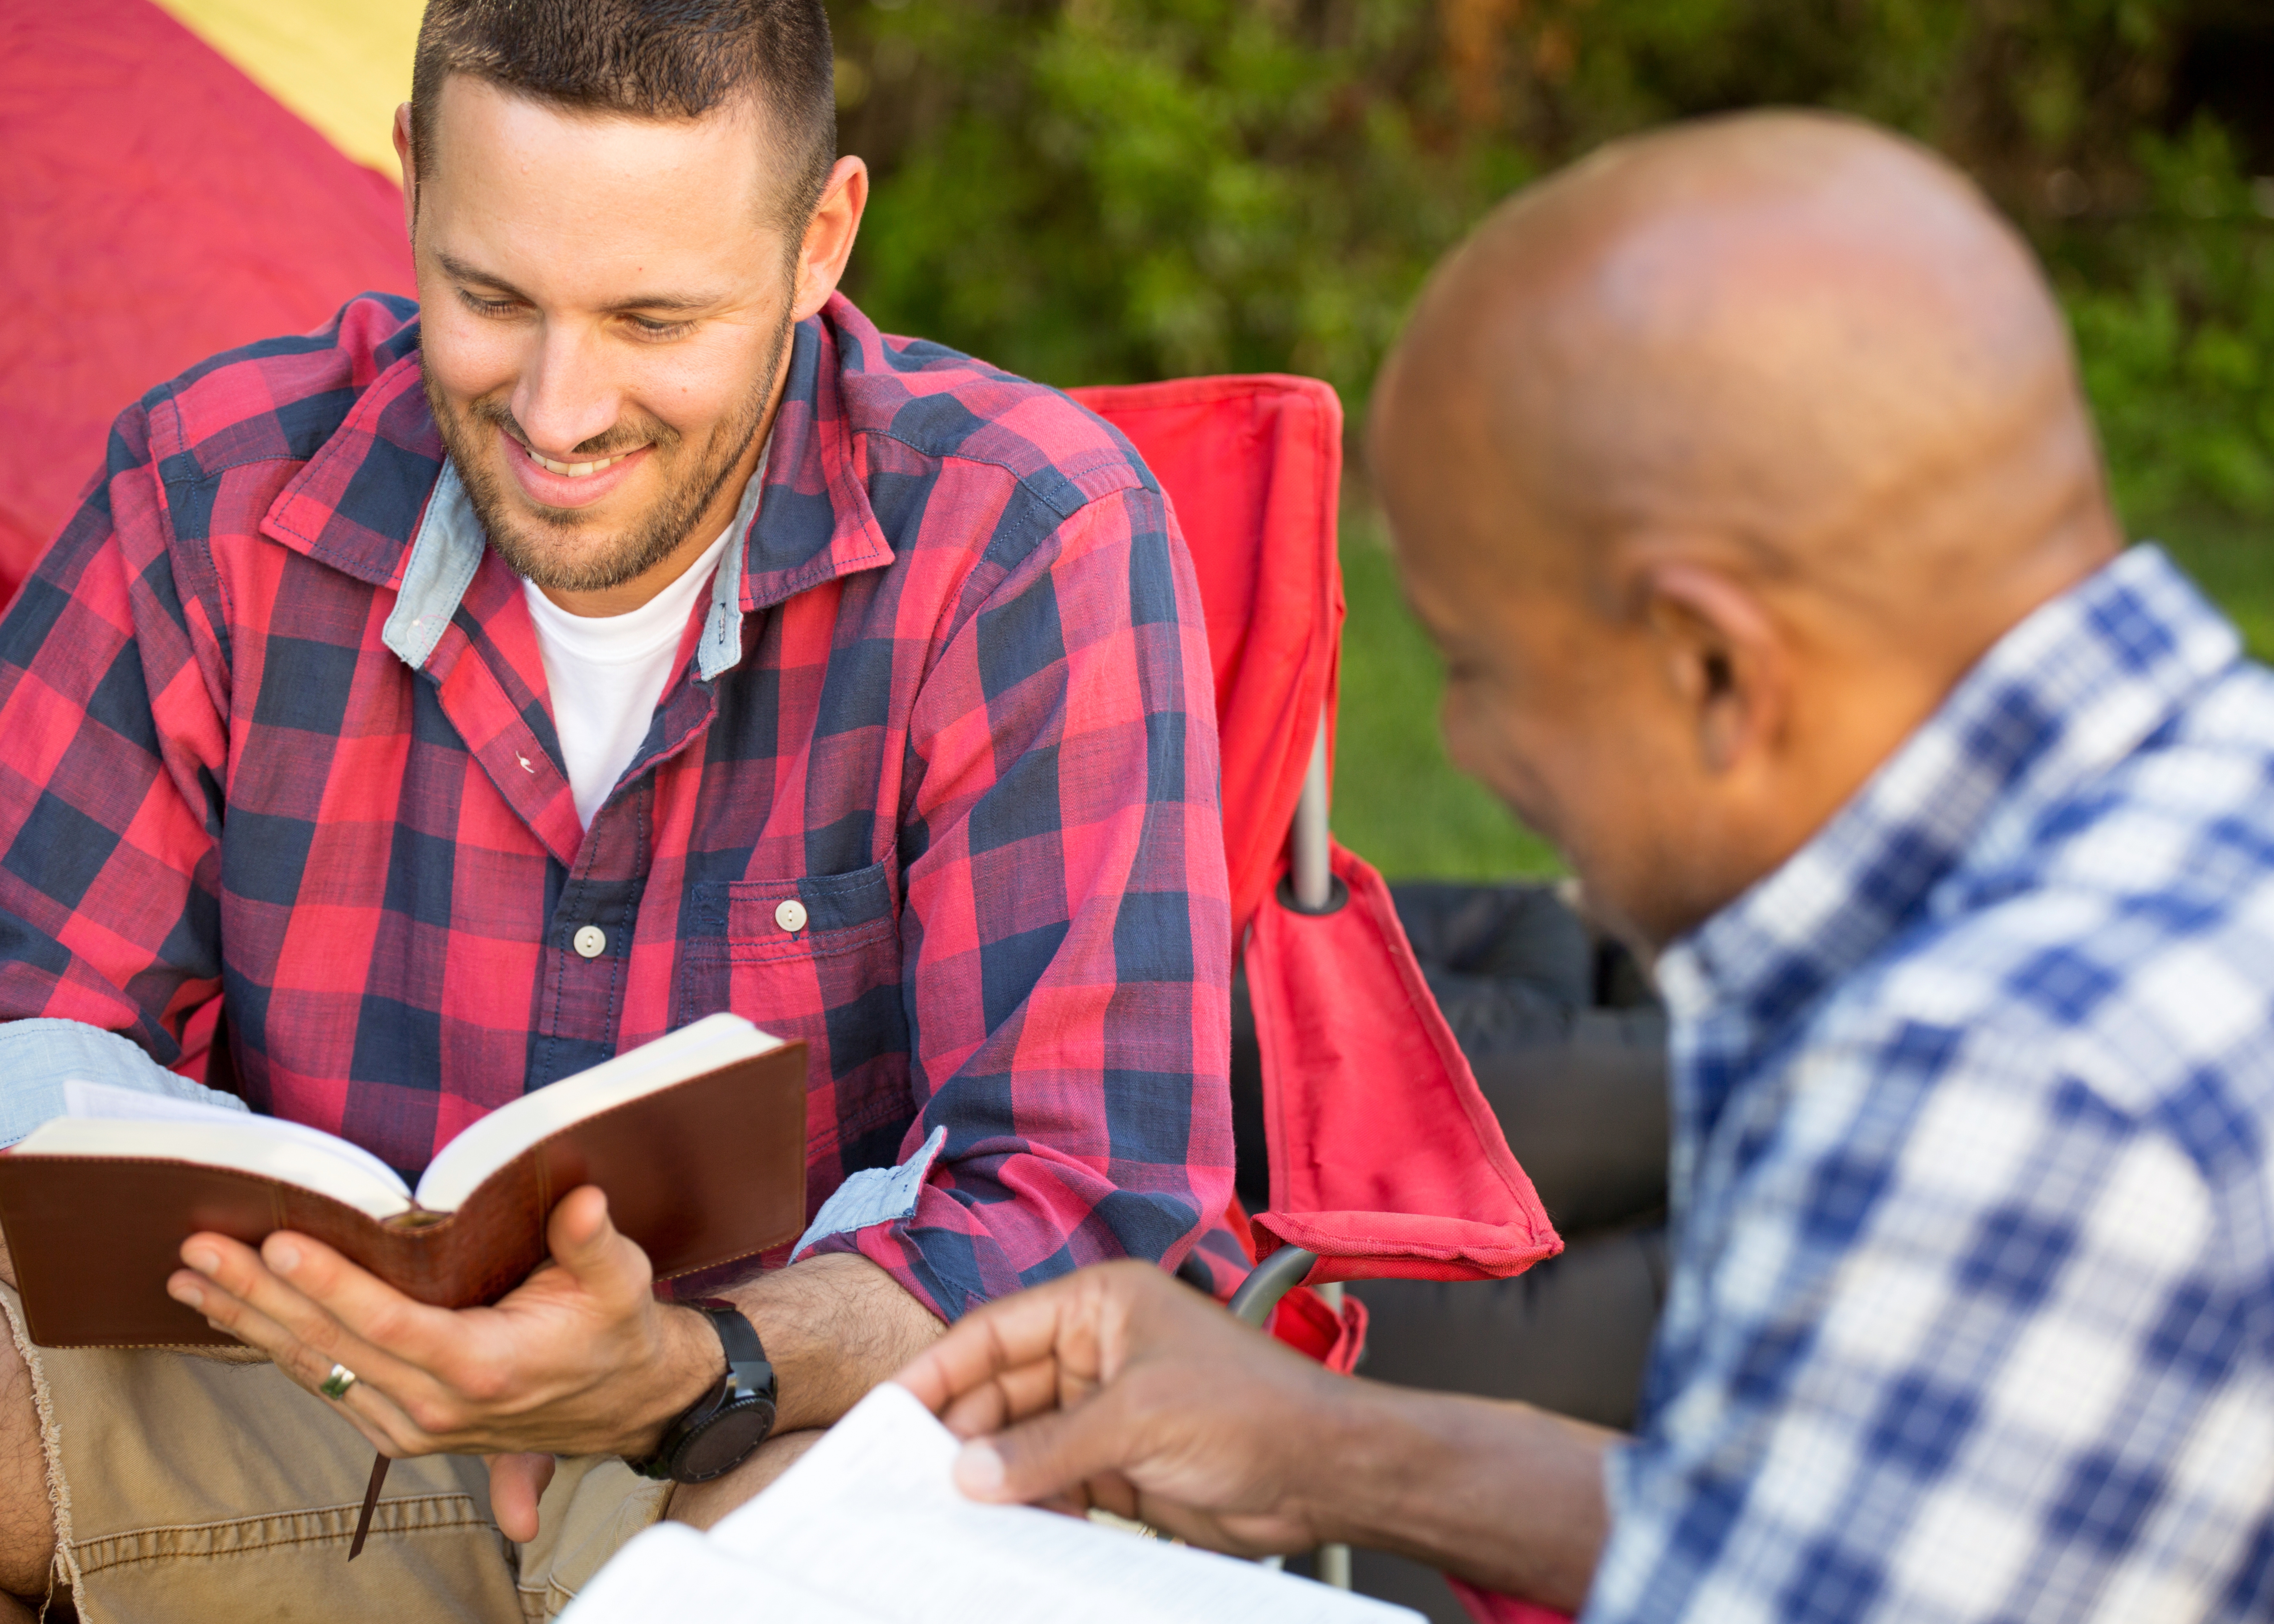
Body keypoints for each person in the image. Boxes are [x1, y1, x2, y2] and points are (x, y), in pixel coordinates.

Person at [898, 108, 2274, 1621]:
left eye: (1477, 669)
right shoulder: (2211, 814)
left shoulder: (1996, 1087)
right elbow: (1805, 1536)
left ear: (1710, 667)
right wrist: (1331, 1449)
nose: (1465, 747)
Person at [0, 1, 1230, 1617]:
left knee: (850, 1560)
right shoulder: (207, 493)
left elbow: (1087, 1206)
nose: (560, 413)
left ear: (820, 240)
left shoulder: (1023, 539)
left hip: (757, 1429)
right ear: (415, 178)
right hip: (298, 1404)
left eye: (655, 320)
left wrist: (691, 1367)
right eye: (491, 299)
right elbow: (28, 1010)